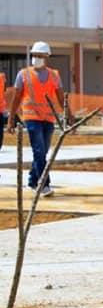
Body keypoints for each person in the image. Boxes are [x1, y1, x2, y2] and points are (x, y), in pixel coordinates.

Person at [6, 41, 69, 197]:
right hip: (31, 117)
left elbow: (61, 97)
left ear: (47, 57)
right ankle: (44, 184)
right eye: (35, 55)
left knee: (43, 152)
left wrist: (69, 114)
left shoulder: (54, 75)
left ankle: (33, 181)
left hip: (48, 119)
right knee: (39, 151)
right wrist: (11, 118)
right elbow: (16, 97)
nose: (37, 58)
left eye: (40, 55)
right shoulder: (23, 74)